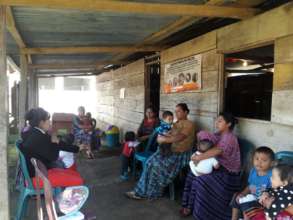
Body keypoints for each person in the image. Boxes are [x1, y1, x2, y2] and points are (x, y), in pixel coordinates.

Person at [126, 103, 196, 200]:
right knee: (149, 162)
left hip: (180, 154)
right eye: (175, 111)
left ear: (186, 112)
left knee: (155, 165)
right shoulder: (175, 124)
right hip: (170, 151)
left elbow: (181, 137)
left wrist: (164, 139)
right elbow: (167, 133)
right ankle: (140, 191)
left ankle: (151, 192)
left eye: (179, 111)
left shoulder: (189, 124)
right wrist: (161, 137)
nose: (176, 114)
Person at [181, 112, 241, 220]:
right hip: (216, 168)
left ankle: (200, 214)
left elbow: (218, 150)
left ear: (229, 124)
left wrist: (198, 158)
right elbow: (201, 136)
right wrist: (200, 148)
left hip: (228, 174)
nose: (216, 123)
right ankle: (188, 205)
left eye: (220, 121)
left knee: (199, 180)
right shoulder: (218, 135)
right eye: (216, 120)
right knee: (191, 174)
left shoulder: (230, 137)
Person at [20, 108, 84, 187]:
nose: (50, 122)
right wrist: (56, 142)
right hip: (38, 176)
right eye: (48, 120)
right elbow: (53, 157)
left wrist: (75, 148)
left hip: (38, 171)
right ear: (41, 122)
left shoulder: (33, 132)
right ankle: (64, 197)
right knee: (79, 180)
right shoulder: (38, 137)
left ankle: (64, 190)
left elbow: (55, 143)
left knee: (75, 174)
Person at [231, 146, 275, 220]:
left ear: (271, 163)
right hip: (252, 196)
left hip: (261, 202)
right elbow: (250, 186)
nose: (259, 162)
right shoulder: (253, 171)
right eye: (257, 159)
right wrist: (243, 194)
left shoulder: (271, 175)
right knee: (236, 196)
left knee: (248, 205)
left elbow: (273, 192)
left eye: (264, 160)